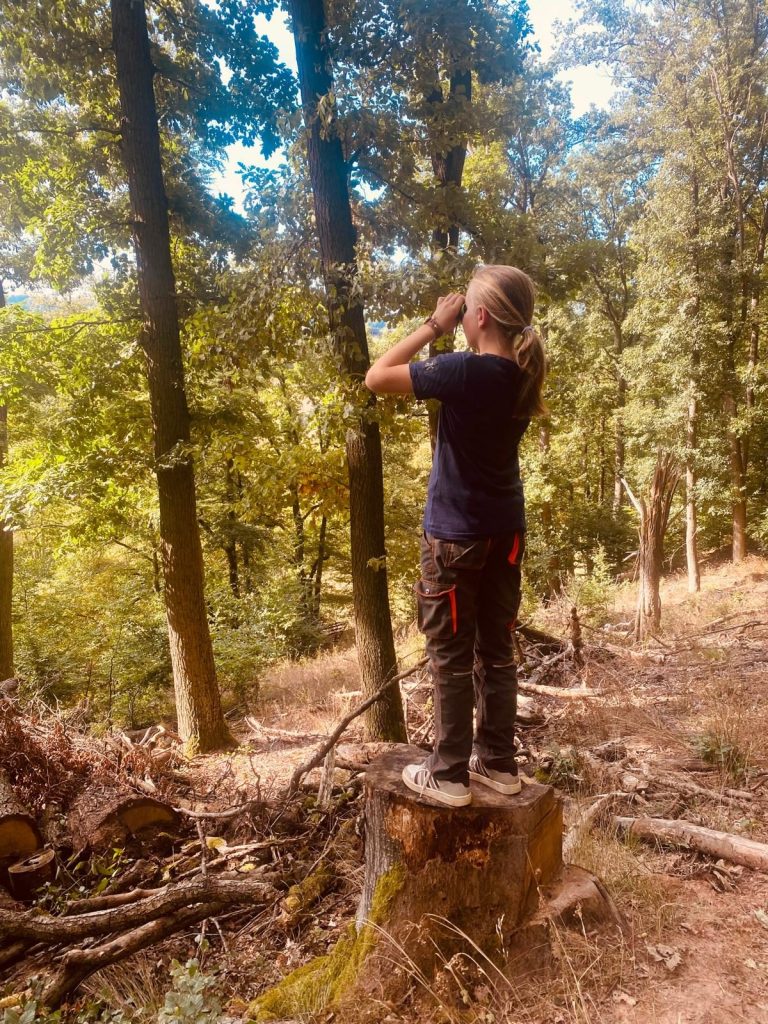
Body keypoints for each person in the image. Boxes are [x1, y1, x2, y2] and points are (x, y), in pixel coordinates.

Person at [365, 264, 547, 807]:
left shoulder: (462, 371)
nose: (459, 314)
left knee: (450, 653)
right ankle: (497, 763)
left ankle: (447, 774)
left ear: (481, 315)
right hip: (505, 531)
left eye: (464, 307)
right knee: (496, 650)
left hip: (454, 537)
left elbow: (377, 377)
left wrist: (431, 325)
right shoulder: (522, 373)